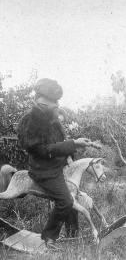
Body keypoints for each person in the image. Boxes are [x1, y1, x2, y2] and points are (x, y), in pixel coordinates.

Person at [17, 78, 91, 249]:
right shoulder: (30, 121)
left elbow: (60, 144)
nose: (57, 104)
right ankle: (48, 237)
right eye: (53, 101)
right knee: (65, 201)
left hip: (58, 168)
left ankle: (73, 234)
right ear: (41, 100)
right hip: (44, 171)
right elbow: (42, 150)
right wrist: (74, 143)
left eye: (57, 101)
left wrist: (71, 154)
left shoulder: (53, 119)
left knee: (73, 195)